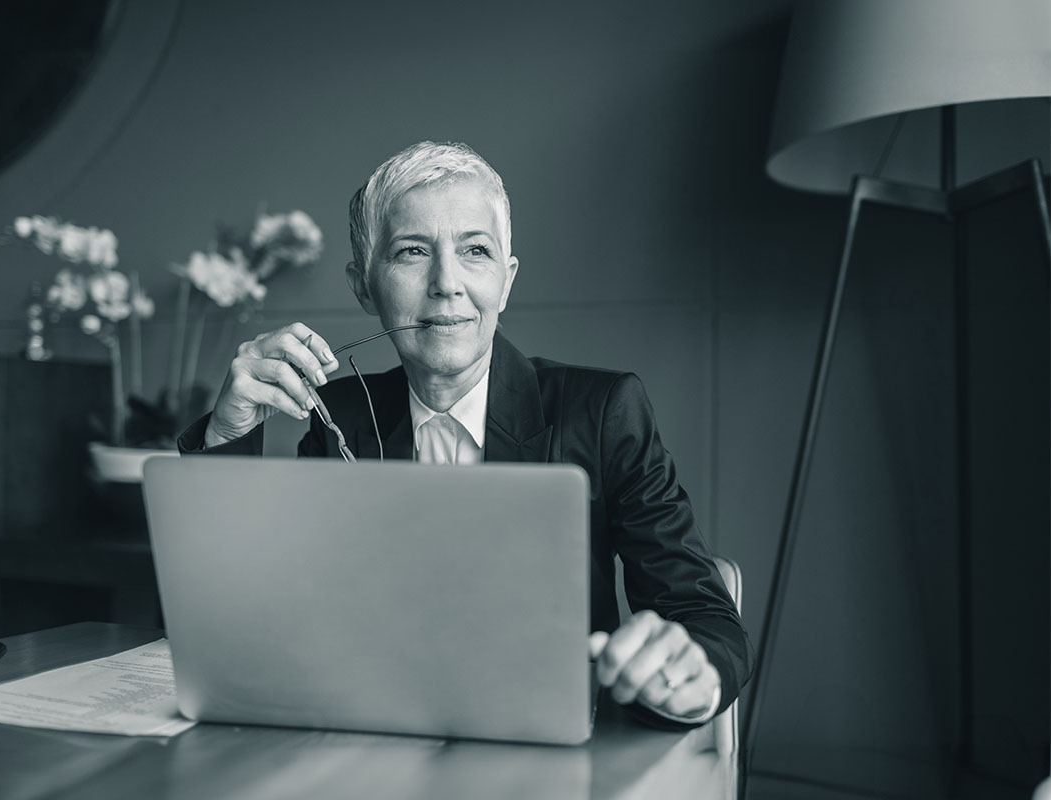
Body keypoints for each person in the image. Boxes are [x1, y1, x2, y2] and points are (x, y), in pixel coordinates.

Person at [179, 141, 753, 727]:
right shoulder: (339, 417)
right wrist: (230, 431)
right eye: (411, 252)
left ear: (505, 282)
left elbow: (705, 619)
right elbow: (242, 620)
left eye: (474, 251)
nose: (446, 283)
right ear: (364, 285)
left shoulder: (602, 411)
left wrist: (689, 681)